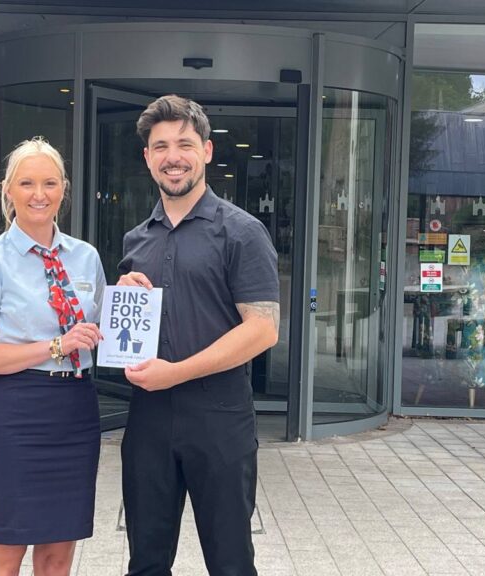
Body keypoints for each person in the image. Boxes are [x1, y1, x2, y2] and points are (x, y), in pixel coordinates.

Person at [117, 95, 280, 576]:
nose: (173, 156)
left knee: (230, 562)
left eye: (184, 144)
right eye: (161, 145)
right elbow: (129, 333)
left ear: (207, 151)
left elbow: (264, 329)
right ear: (147, 157)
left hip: (220, 419)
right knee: (145, 562)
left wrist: (177, 374)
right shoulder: (136, 240)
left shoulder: (242, 233)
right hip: (148, 420)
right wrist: (124, 298)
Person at [0, 138, 106, 576]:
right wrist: (56, 346)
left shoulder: (86, 257)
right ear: (8, 190)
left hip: (76, 412)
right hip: (19, 413)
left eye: (49, 182)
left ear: (64, 189)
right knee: (4, 555)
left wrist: (130, 297)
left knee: (58, 555)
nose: (39, 193)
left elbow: (97, 335)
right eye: (26, 183)